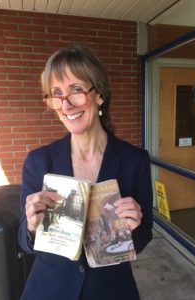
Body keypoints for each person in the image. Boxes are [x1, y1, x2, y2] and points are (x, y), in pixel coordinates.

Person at [18, 44, 153, 300]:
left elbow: (145, 233)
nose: (65, 105)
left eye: (76, 90)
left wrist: (134, 227)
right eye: (56, 94)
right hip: (49, 290)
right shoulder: (38, 161)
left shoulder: (134, 160)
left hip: (111, 290)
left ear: (99, 94)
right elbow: (24, 240)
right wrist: (32, 227)